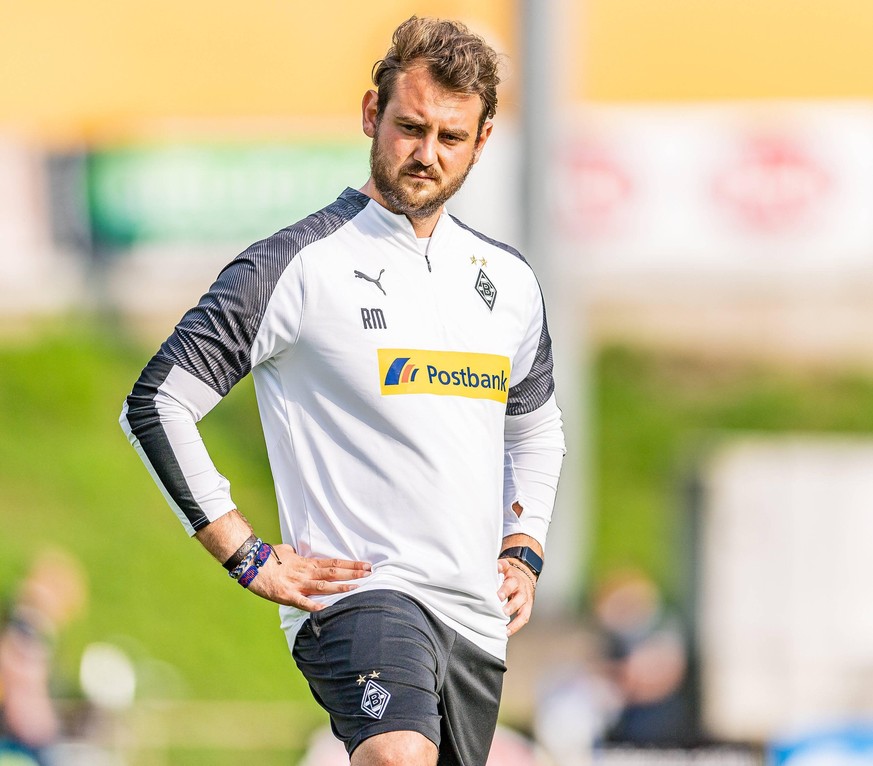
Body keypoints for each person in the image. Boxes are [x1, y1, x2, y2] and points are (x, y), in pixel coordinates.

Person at [120, 15, 565, 766]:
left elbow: (534, 427)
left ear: (482, 142)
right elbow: (159, 401)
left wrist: (523, 548)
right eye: (409, 127)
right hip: (362, 598)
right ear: (371, 114)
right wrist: (246, 553)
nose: (426, 154)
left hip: (475, 619)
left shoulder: (510, 282)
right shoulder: (294, 264)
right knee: (397, 757)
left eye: (450, 138)